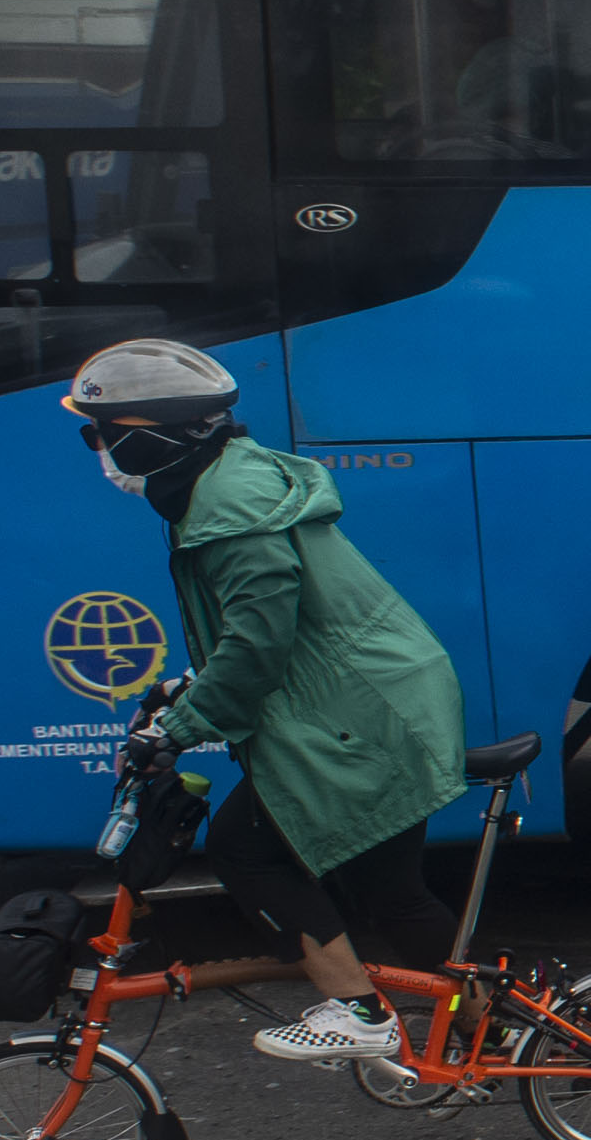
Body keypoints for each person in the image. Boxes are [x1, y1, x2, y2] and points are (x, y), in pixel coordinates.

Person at [67, 339, 472, 1065]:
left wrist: (177, 731)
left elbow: (259, 645)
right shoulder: (228, 482)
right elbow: (272, 631)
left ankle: (356, 1008)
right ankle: (495, 1027)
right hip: (372, 699)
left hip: (361, 715)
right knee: (392, 889)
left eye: (99, 432)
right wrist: (188, 687)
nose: (95, 449)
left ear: (145, 435)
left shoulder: (228, 509)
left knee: (244, 849)